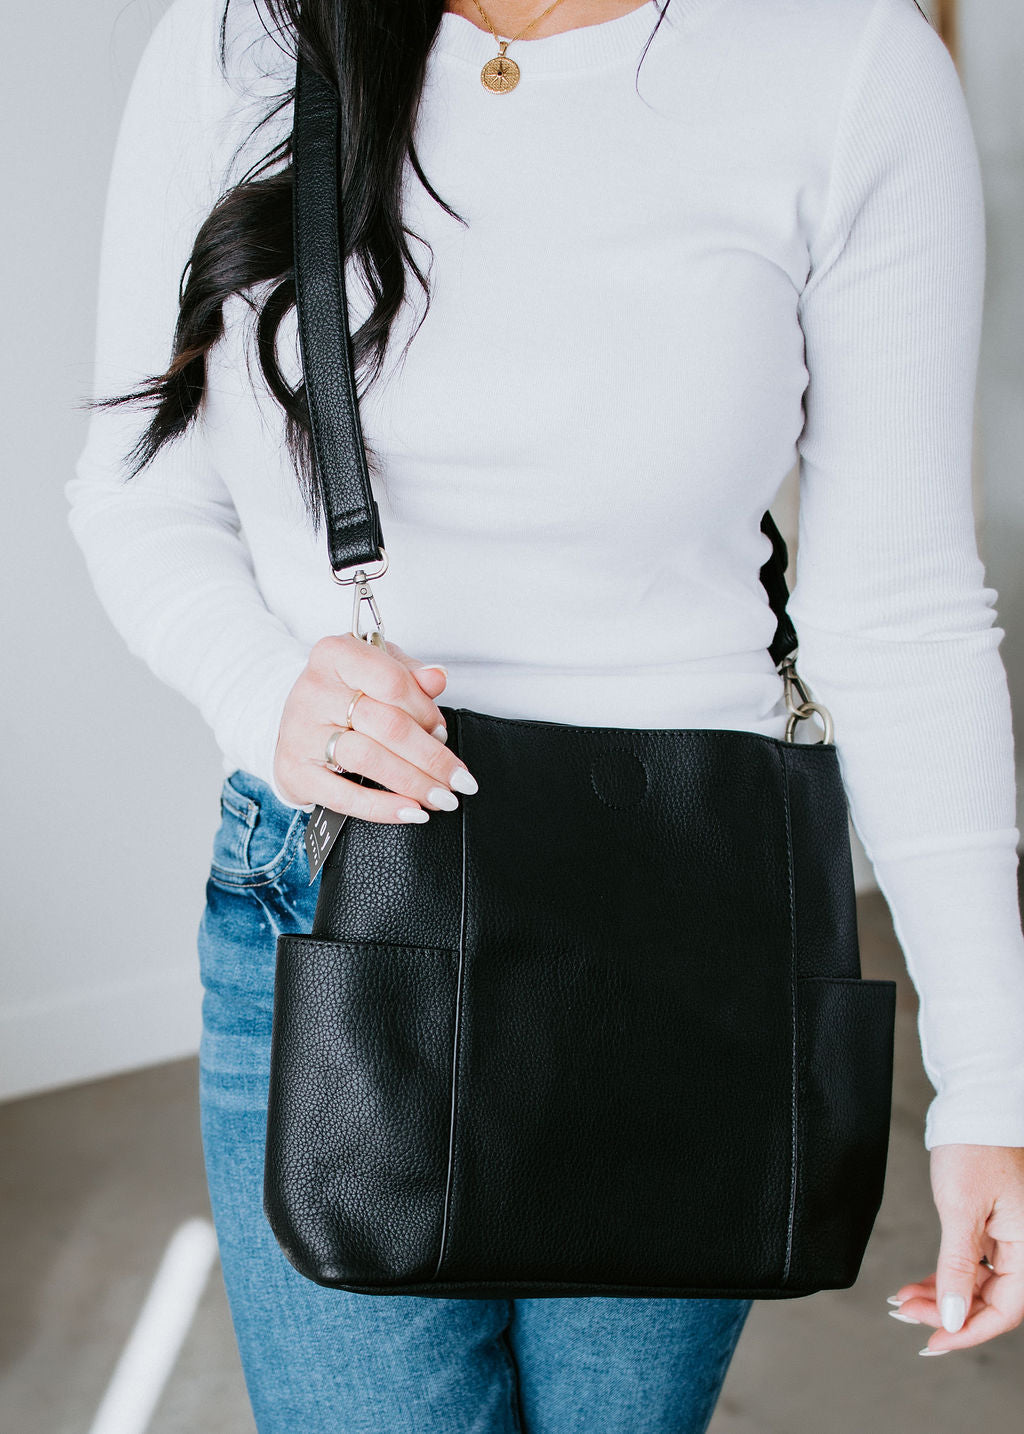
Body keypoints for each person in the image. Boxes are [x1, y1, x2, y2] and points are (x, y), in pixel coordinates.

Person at [67, 0, 1024, 1427]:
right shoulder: (239, 43)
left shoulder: (848, 60)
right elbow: (136, 493)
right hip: (334, 887)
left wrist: (993, 1080)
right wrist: (265, 690)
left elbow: (902, 610)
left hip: (686, 925)